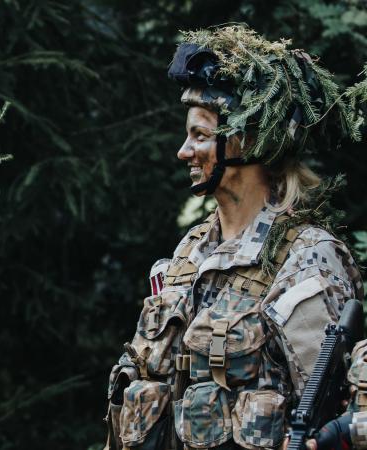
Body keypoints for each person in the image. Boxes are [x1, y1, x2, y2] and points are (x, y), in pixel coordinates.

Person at [104, 25, 363, 450]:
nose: (184, 151)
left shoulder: (308, 260)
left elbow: (329, 417)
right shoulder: (190, 252)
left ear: (249, 141)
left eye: (200, 136)